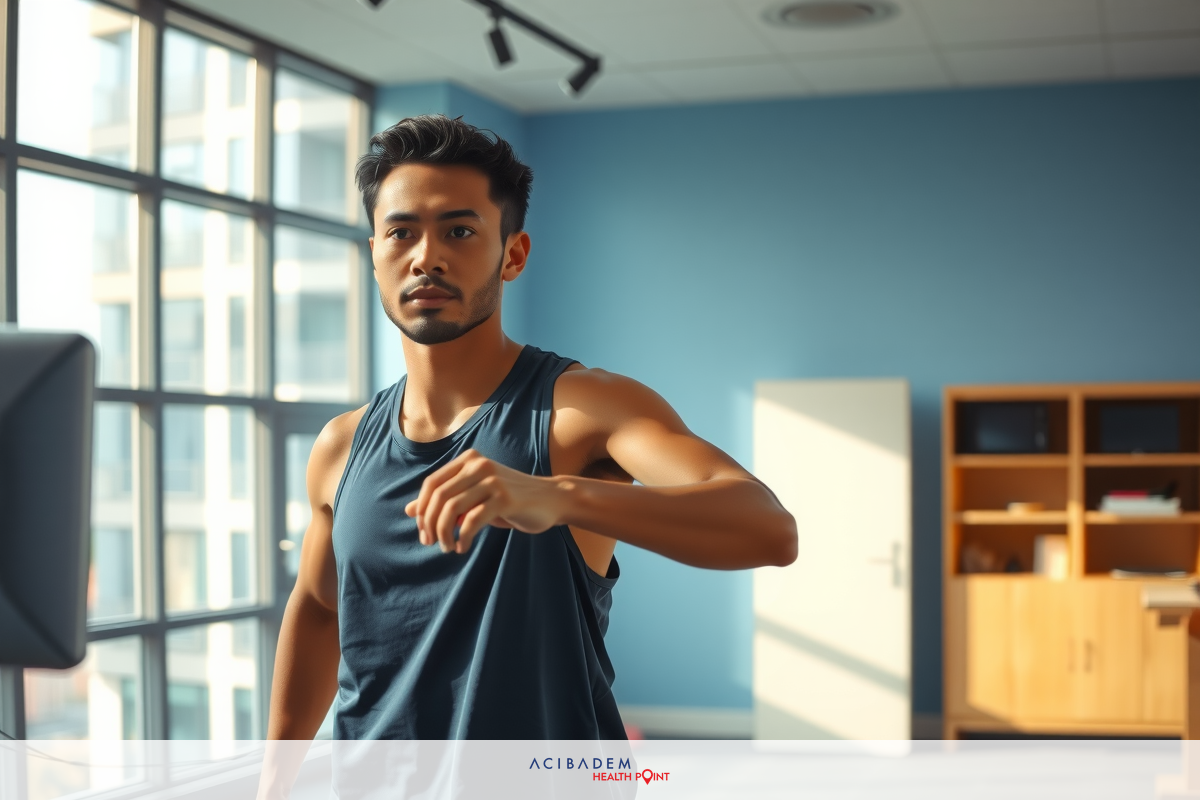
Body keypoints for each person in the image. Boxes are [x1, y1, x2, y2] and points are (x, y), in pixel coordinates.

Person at [265, 114, 798, 742]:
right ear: (375, 256)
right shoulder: (340, 446)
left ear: (512, 255)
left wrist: (555, 495)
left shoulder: (581, 411)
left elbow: (768, 529)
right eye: (400, 233)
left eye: (459, 230)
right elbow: (321, 611)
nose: (426, 256)